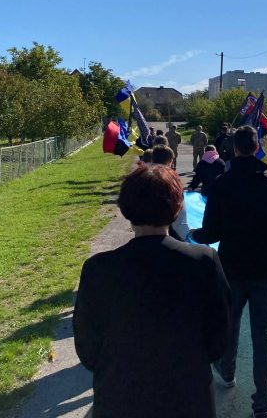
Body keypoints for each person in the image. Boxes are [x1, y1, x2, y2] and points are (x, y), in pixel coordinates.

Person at [73, 164, 231, 418]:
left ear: (125, 207)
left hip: (119, 397)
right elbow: (219, 338)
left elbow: (87, 347)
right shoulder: (204, 261)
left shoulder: (98, 268)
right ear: (177, 207)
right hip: (188, 396)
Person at [190, 125, 267, 418]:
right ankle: (263, 405)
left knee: (231, 322)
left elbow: (211, 233)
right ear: (257, 147)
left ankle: (227, 371)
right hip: (264, 268)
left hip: (232, 267)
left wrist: (191, 235)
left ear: (234, 149)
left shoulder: (222, 184)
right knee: (262, 333)